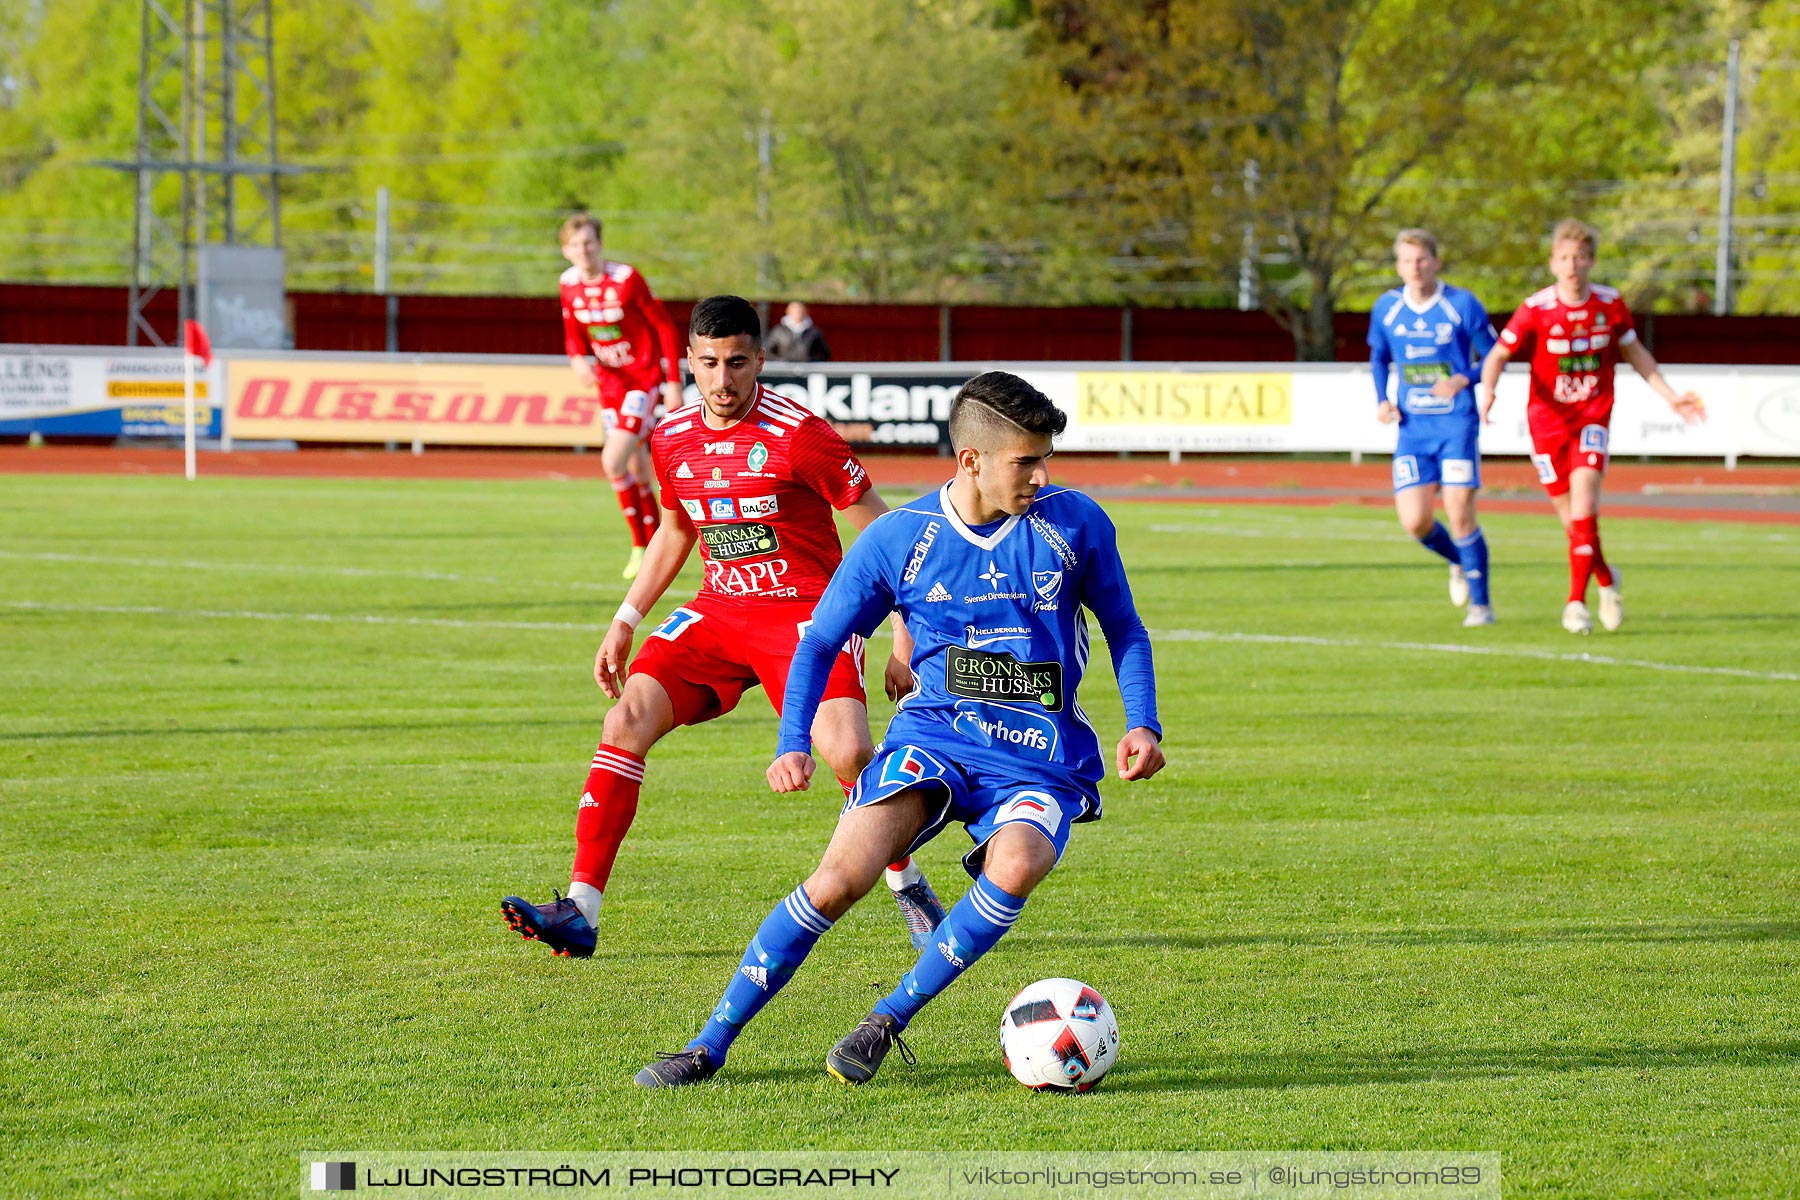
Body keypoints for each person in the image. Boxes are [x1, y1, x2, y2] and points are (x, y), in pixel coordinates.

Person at [633, 370, 1165, 1089]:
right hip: (935, 736)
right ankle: (708, 1045)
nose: (1042, 475)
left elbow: (1125, 629)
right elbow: (820, 642)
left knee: (1018, 864)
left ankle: (886, 1019)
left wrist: (1144, 724)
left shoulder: (1076, 525)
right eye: (1026, 461)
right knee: (836, 882)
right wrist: (793, 740)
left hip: (1040, 757)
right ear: (971, 460)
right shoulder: (899, 538)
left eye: (1046, 459)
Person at [502, 295, 946, 958]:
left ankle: (905, 879)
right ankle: (580, 909)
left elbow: (889, 535)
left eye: (737, 362)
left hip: (805, 615)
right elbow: (675, 529)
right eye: (708, 363)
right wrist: (627, 619)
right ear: (689, 361)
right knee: (626, 719)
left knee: (848, 753)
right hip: (719, 609)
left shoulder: (800, 435)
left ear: (759, 360)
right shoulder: (671, 436)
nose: (722, 379)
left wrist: (905, 640)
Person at [1478, 219, 1706, 634]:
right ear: (1552, 262)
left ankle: (1574, 604)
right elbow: (1496, 355)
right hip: (1546, 424)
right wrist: (1488, 390)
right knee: (1573, 524)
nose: (1573, 265)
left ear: (1592, 261)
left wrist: (1670, 395)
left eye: (1580, 257)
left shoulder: (1609, 305)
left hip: (1591, 419)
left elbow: (1636, 354)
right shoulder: (1537, 309)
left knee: (1584, 505)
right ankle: (1606, 579)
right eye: (1565, 257)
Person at [1368, 229, 1499, 626]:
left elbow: (1495, 354)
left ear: (1436, 262)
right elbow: (1378, 356)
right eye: (1407, 261)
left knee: (1460, 511)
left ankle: (1482, 605)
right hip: (1412, 430)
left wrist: (1463, 380)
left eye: (1422, 259)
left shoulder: (1461, 304)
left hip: (1456, 424)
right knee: (1416, 522)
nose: (1416, 268)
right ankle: (1460, 561)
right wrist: (1381, 399)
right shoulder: (1387, 308)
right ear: (1398, 266)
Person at [558, 213, 685, 580]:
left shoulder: (626, 279)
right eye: (575, 245)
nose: (583, 250)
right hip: (608, 386)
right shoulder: (567, 284)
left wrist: (672, 380)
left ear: (599, 244)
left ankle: (640, 543)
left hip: (641, 380)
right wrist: (577, 360)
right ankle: (654, 545)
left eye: (589, 242)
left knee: (613, 460)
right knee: (637, 467)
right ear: (566, 251)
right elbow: (572, 332)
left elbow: (663, 327)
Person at [763, 301, 831, 363]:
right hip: (783, 372)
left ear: (806, 312)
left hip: (807, 371)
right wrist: (779, 362)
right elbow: (767, 351)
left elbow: (824, 353)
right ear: (788, 311)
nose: (798, 313)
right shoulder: (778, 331)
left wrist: (811, 362)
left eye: (800, 310)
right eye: (795, 310)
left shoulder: (814, 332)